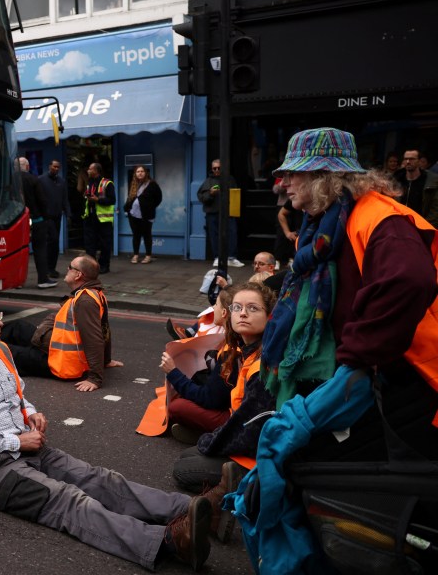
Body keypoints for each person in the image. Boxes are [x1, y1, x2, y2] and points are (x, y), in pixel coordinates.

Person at [226, 127, 438, 573]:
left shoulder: (380, 218)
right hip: (381, 379)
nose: (285, 184)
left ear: (324, 178)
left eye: (294, 175)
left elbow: (409, 281)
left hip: (410, 385)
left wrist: (357, 356)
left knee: (316, 468)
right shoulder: (331, 222)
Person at [0, 294, 216, 571]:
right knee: (70, 501)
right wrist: (18, 440)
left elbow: (17, 395)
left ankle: (193, 509)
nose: (0, 323)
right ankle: (167, 543)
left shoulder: (0, 351)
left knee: (99, 478)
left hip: (28, 445)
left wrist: (32, 412)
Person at [172, 282, 277, 494]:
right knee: (187, 456)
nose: (243, 314)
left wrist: (210, 441)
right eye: (237, 308)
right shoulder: (248, 350)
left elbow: (247, 431)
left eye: (253, 308)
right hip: (243, 438)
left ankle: (250, 487)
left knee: (182, 470)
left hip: (256, 457)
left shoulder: (262, 366)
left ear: (270, 316)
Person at [3, 255, 122, 391]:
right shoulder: (91, 293)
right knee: (17, 327)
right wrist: (106, 360)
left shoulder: (85, 301)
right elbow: (105, 328)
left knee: (6, 351)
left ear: (78, 275)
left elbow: (93, 338)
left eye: (70, 267)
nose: (67, 269)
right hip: (52, 346)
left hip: (61, 362)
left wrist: (95, 378)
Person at [160, 287, 235, 443]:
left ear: (224, 313)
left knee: (176, 406)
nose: (212, 308)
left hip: (234, 419)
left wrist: (174, 373)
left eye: (216, 304)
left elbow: (209, 399)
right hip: (233, 409)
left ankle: (211, 436)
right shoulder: (232, 342)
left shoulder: (232, 350)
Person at [197, 160, 244, 268]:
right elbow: (202, 197)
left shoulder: (230, 179)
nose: (217, 170)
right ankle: (217, 258)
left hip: (229, 212)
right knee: (214, 236)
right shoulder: (208, 181)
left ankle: (231, 258)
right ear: (212, 169)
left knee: (232, 234)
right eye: (215, 168)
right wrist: (211, 194)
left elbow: (235, 194)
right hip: (213, 212)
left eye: (219, 168)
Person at [17, 157, 55, 288]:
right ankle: (42, 280)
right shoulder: (34, 180)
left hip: (16, 221)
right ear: (27, 167)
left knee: (18, 251)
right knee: (40, 249)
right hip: (36, 219)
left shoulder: (11, 181)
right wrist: (46, 217)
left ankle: (17, 281)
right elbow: (42, 200)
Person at [123, 166, 163, 264]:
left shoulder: (152, 184)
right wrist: (128, 208)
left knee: (147, 235)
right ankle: (135, 255)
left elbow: (159, 198)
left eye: (142, 171)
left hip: (147, 215)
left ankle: (148, 256)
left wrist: (150, 207)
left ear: (146, 173)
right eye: (138, 171)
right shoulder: (134, 184)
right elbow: (130, 198)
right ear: (135, 174)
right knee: (136, 235)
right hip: (133, 214)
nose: (140, 173)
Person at [82, 162, 116, 273]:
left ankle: (104, 266)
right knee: (89, 243)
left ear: (96, 171)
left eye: (90, 169)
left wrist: (98, 200)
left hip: (103, 219)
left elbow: (112, 200)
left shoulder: (108, 183)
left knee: (105, 244)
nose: (88, 171)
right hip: (90, 217)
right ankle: (92, 265)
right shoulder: (90, 183)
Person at [38, 159, 69, 278]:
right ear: (49, 166)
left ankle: (52, 268)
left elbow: (65, 199)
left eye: (58, 167)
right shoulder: (41, 180)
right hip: (46, 217)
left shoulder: (61, 181)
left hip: (57, 216)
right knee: (52, 240)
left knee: (55, 243)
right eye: (54, 167)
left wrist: (68, 213)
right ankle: (46, 268)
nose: (56, 169)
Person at [393, 148, 438, 226]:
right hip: (398, 225)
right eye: (406, 159)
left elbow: (435, 208)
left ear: (419, 161)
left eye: (412, 159)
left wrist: (425, 226)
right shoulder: (397, 179)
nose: (408, 162)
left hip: (421, 226)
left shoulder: (429, 181)